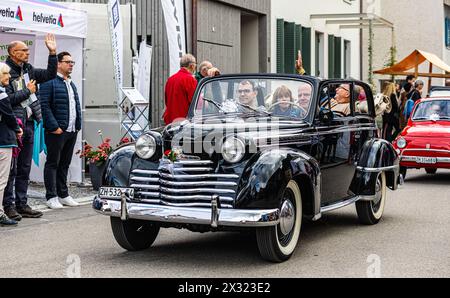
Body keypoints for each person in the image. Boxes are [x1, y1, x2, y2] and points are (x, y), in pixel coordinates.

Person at [3, 34, 57, 220]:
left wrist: (52, 53)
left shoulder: (28, 69)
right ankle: (8, 206)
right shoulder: (4, 71)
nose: (27, 53)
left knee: (25, 167)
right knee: (12, 169)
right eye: (23, 51)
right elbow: (7, 101)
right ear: (12, 53)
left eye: (27, 50)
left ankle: (22, 203)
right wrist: (28, 91)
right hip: (13, 125)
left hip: (29, 123)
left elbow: (50, 75)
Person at [40, 52, 82, 209]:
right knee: (52, 163)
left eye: (72, 62)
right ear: (58, 63)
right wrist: (54, 126)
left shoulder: (71, 83)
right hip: (56, 131)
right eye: (67, 62)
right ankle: (51, 196)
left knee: (65, 163)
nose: (71, 64)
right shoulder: (49, 81)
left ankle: (63, 194)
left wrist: (77, 125)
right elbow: (44, 105)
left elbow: (75, 106)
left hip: (71, 130)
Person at [0, 63, 23, 226]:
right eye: (5, 74)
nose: (8, 76)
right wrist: (17, 128)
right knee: (2, 180)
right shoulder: (1, 94)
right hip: (3, 141)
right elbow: (8, 114)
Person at [163, 54, 198, 125]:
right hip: (184, 122)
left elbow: (167, 101)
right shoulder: (190, 79)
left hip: (170, 120)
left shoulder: (170, 79)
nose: (195, 68)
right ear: (191, 66)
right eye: (195, 65)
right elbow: (194, 102)